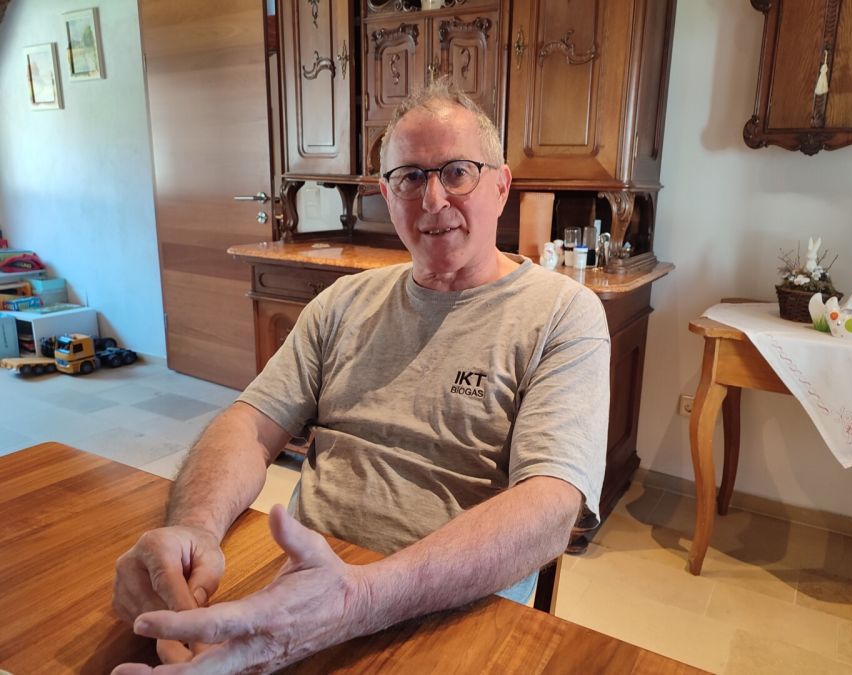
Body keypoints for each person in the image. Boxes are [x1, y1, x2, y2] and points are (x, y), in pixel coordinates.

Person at [111, 81, 610, 674]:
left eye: (457, 172)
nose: (433, 200)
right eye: (410, 177)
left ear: (501, 186)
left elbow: (551, 505)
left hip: (453, 611)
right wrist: (194, 528)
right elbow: (249, 425)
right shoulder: (342, 303)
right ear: (386, 194)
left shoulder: (563, 314)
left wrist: (358, 600)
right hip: (303, 582)